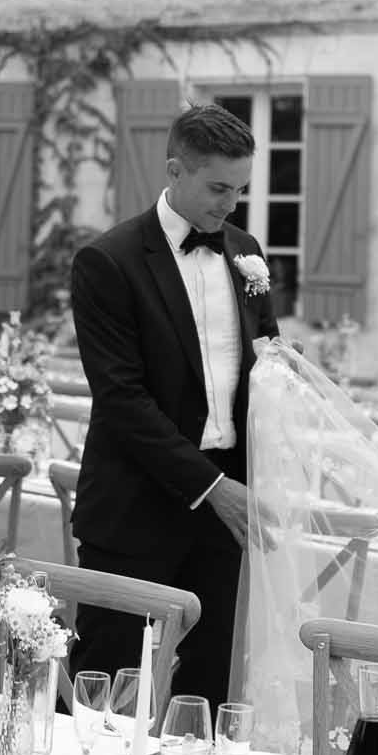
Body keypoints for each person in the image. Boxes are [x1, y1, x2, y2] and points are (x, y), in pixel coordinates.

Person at [69, 102, 280, 711]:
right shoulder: (107, 261)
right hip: (136, 511)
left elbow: (264, 368)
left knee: (204, 691)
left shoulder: (245, 251)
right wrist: (213, 485)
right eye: (218, 188)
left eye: (240, 190)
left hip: (224, 517)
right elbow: (122, 400)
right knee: (103, 690)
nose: (230, 205)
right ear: (173, 171)